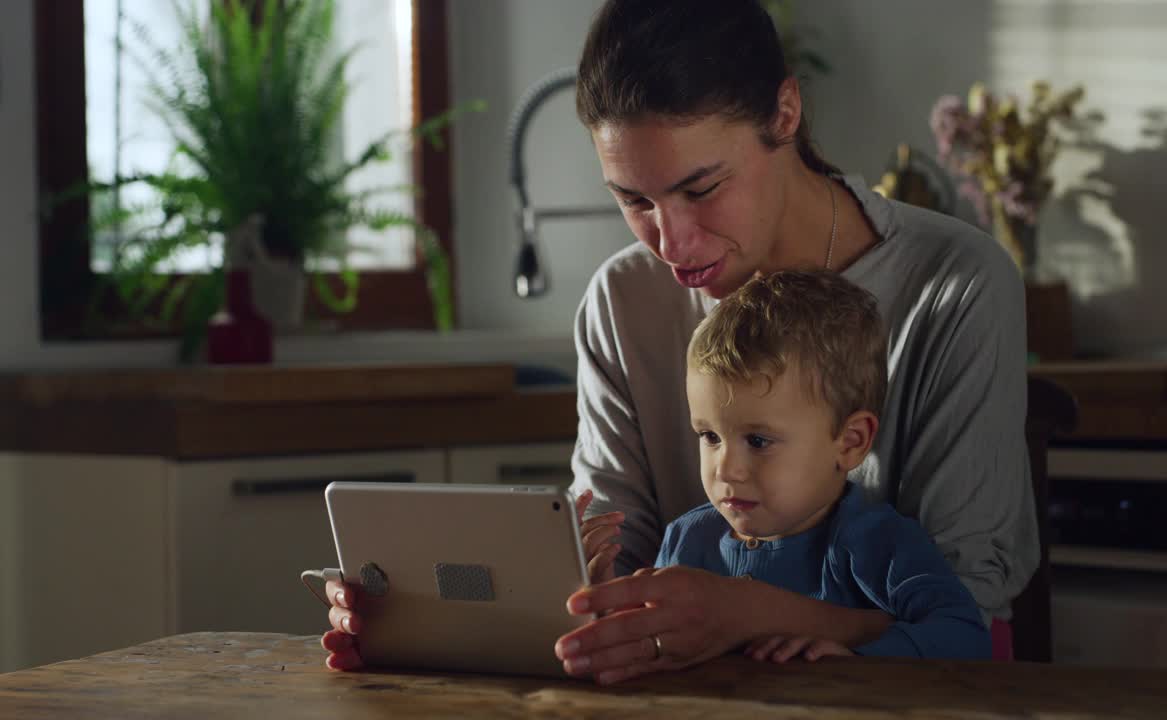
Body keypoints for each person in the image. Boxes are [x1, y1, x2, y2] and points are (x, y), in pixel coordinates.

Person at [324, 0, 1032, 681]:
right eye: (634, 200)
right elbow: (605, 554)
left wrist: (744, 612)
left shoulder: (957, 283)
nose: (672, 242)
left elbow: (967, 617)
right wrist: (432, 621)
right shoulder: (622, 299)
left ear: (785, 113)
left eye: (701, 188)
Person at [579, 270, 990, 667]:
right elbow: (659, 644)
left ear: (851, 442)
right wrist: (602, 604)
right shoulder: (687, 539)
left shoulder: (880, 543)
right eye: (709, 437)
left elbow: (966, 638)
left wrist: (859, 659)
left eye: (758, 441)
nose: (727, 469)